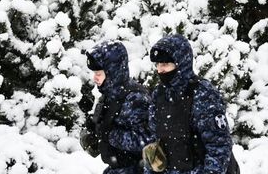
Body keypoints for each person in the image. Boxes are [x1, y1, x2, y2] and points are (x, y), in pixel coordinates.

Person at [143, 34, 236, 174]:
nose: (160, 70)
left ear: (180, 63)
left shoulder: (203, 94)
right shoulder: (159, 94)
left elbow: (219, 146)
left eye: (165, 64)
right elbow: (154, 140)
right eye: (157, 65)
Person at [83, 43, 151, 174]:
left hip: (135, 169)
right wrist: (95, 127)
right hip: (117, 167)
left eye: (99, 73)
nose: (95, 77)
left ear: (111, 72)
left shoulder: (135, 99)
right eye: (94, 73)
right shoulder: (110, 94)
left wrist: (111, 135)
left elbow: (146, 140)